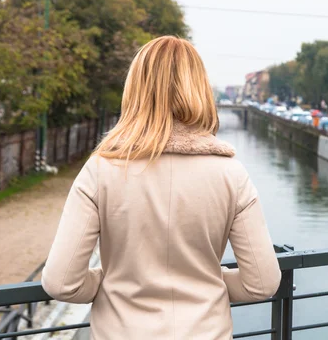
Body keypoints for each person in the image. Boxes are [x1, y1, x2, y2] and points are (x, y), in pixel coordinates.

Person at [41, 37, 281, 339]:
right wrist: (206, 282)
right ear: (200, 89)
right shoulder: (231, 173)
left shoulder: (101, 170)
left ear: (136, 90)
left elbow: (61, 282)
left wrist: (109, 283)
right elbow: (262, 282)